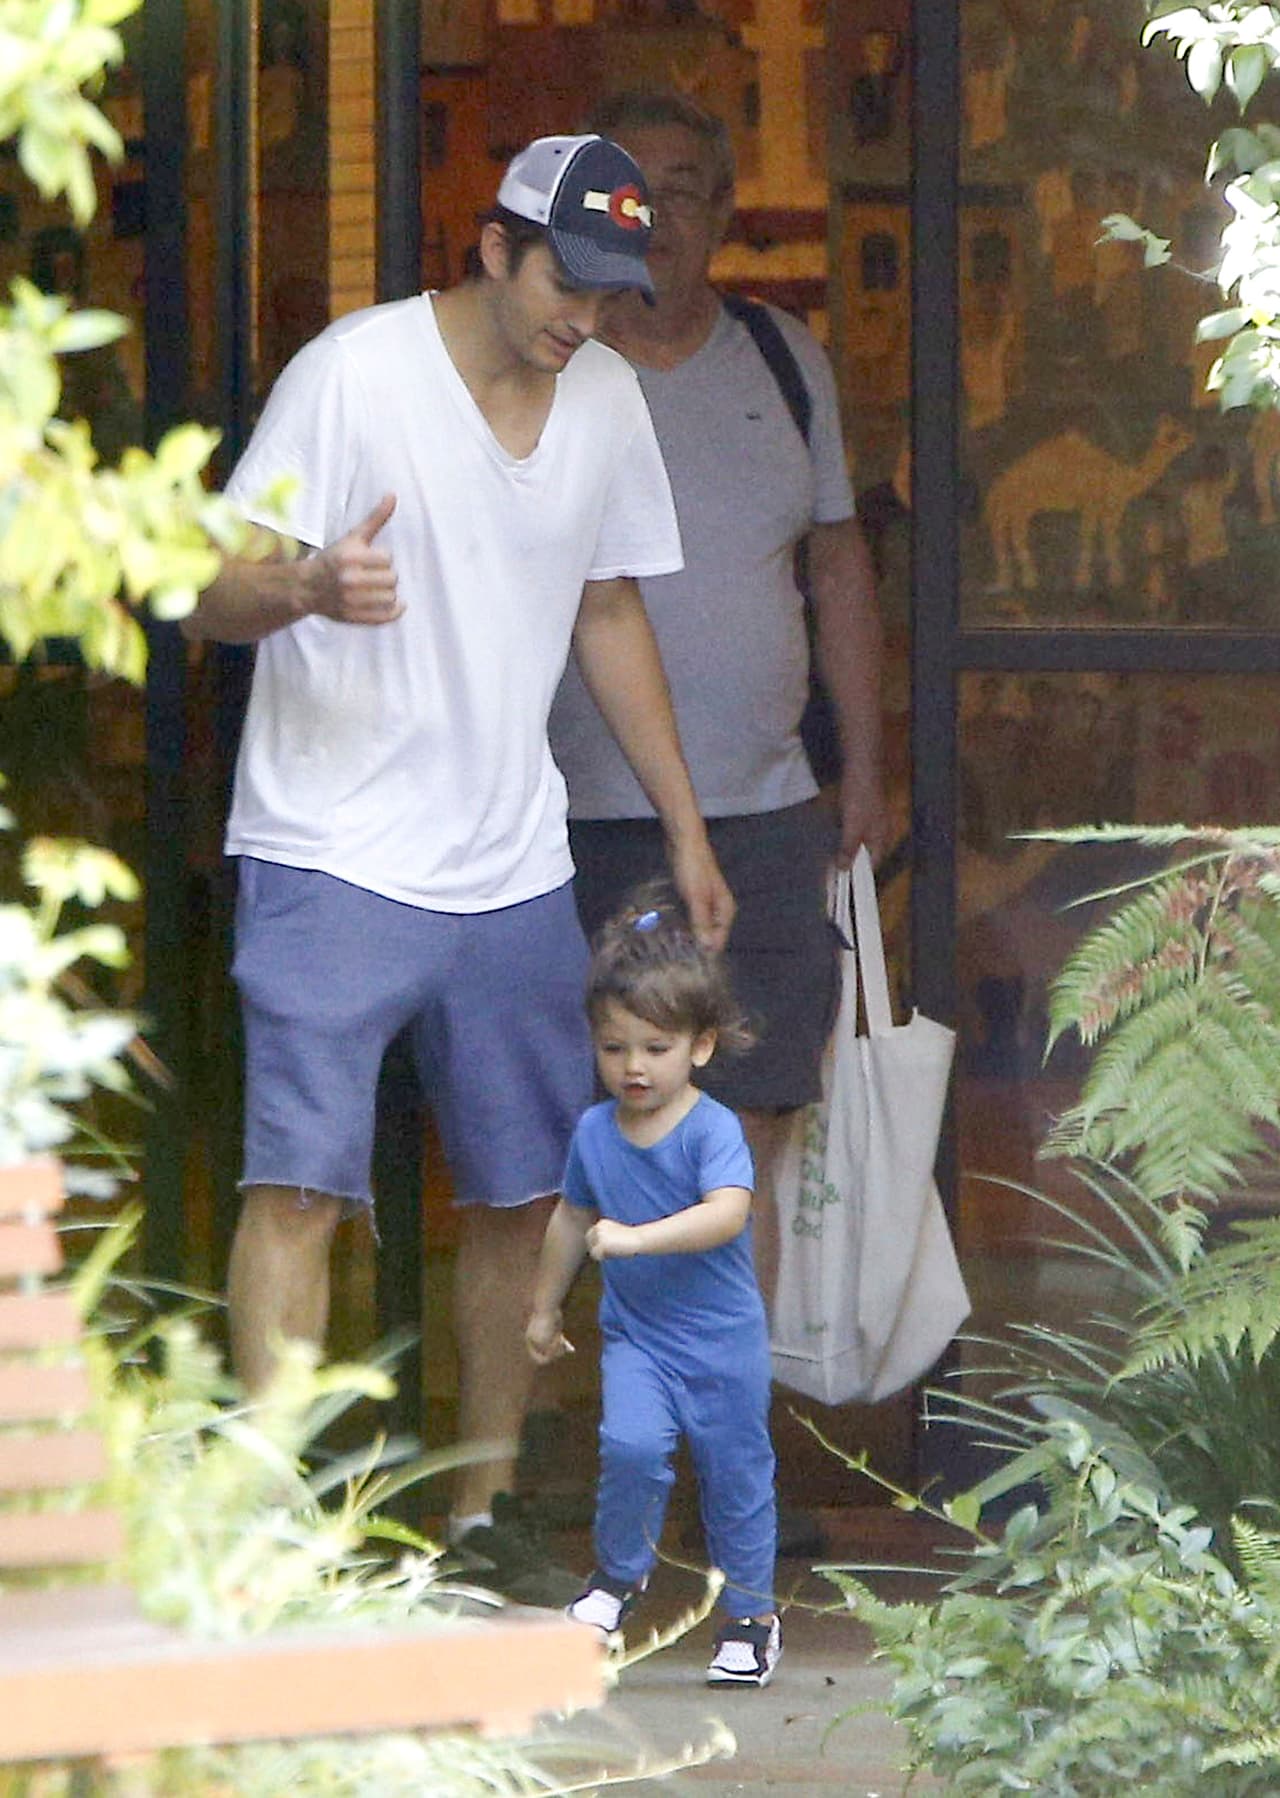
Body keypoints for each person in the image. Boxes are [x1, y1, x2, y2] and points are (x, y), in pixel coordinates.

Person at [181, 132, 734, 1605]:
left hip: (506, 858)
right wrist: (301, 583)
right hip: (330, 847)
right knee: (297, 1185)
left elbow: (607, 611)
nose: (588, 319)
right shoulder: (352, 375)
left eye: (617, 296)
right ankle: (273, 1532)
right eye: (569, 281)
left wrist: (683, 823)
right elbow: (201, 585)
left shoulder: (608, 398)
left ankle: (483, 1513)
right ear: (493, 246)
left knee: (515, 1197)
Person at [547, 93, 888, 1546]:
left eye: (688, 189)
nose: (662, 214)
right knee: (580, 1147)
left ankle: (722, 1484)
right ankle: (577, 1466)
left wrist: (866, 759)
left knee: (743, 1146)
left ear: (724, 212)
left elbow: (841, 572)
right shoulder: (553, 365)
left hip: (759, 817)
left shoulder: (779, 359)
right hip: (577, 823)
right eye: (637, 190)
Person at [526, 889, 781, 1688]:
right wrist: (543, 1307)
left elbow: (727, 1215)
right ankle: (617, 1577)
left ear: (701, 1047)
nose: (633, 1067)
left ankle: (749, 1615)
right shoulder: (594, 1133)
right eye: (614, 1049)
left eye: (656, 1048)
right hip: (637, 1337)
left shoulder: (713, 1130)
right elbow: (570, 1218)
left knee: (735, 1473)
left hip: (722, 1340)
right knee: (631, 1449)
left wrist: (635, 1239)